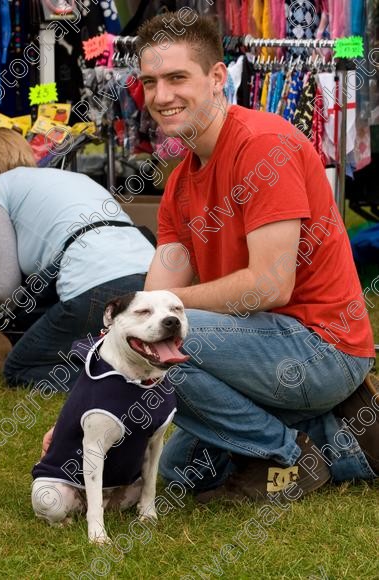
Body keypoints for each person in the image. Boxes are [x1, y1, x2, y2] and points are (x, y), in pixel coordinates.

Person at [136, 11, 378, 500]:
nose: (161, 96)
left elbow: (269, 285)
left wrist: (160, 313)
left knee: (153, 342)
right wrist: (79, 423)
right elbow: (150, 301)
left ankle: (288, 454)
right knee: (182, 470)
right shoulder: (180, 183)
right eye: (149, 82)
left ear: (218, 77)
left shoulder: (262, 146)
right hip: (258, 346)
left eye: (177, 77)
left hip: (321, 345)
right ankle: (345, 436)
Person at [0, 128, 155, 390]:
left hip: (96, 285)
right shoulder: (71, 178)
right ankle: (128, 366)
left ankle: (123, 384)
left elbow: (3, 287)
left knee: (20, 368)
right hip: (151, 276)